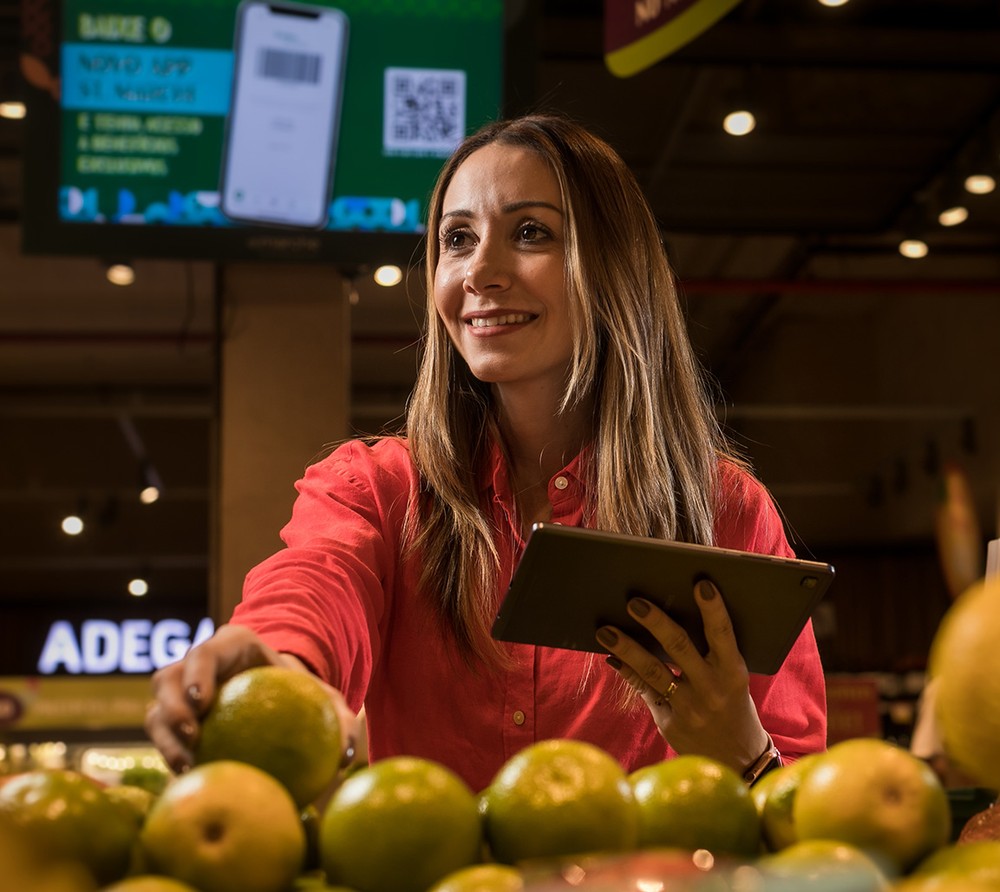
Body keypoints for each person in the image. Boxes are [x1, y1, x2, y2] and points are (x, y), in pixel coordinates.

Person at [146, 113, 826, 793]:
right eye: (458, 239)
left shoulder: (725, 510)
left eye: (531, 233)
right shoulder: (376, 490)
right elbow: (313, 584)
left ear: (615, 265)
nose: (481, 272)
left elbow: (803, 809)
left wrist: (750, 758)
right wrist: (277, 660)